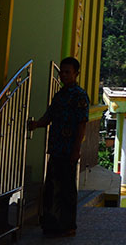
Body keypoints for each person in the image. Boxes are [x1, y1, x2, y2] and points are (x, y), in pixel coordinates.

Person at [28, 56, 89, 238]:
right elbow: (50, 116)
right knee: (52, 187)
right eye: (62, 72)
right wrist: (36, 124)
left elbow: (81, 124)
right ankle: (51, 224)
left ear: (76, 74)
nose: (63, 75)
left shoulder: (80, 96)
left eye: (67, 72)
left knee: (67, 189)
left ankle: (68, 226)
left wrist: (76, 149)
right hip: (56, 148)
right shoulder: (60, 95)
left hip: (69, 149)